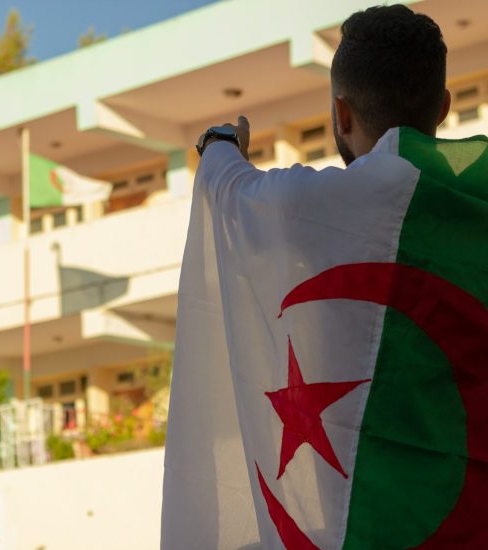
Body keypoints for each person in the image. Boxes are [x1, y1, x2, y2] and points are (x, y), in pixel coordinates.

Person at [162, 5, 488, 549]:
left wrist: (219, 143)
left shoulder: (319, 208)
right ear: (445, 108)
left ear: (340, 113)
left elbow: (235, 192)